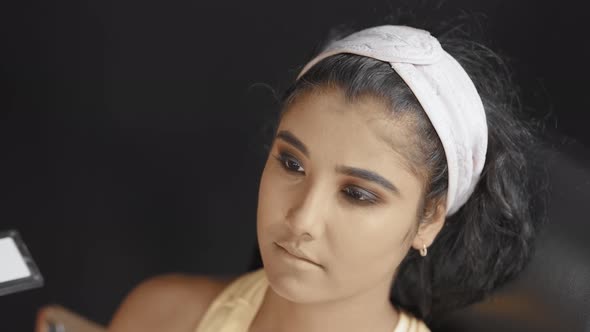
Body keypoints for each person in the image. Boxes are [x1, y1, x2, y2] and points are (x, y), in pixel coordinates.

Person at [107, 23, 546, 332]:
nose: (302, 220)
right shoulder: (160, 317)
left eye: (357, 194)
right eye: (292, 164)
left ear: (429, 218)